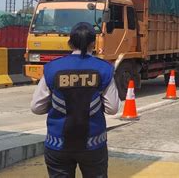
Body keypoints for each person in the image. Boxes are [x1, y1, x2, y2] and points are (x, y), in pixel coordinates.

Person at [31, 22, 120, 178]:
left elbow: (36, 107)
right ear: (94, 42)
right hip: (93, 144)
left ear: (70, 42)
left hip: (57, 144)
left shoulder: (53, 68)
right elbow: (112, 108)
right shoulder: (104, 69)